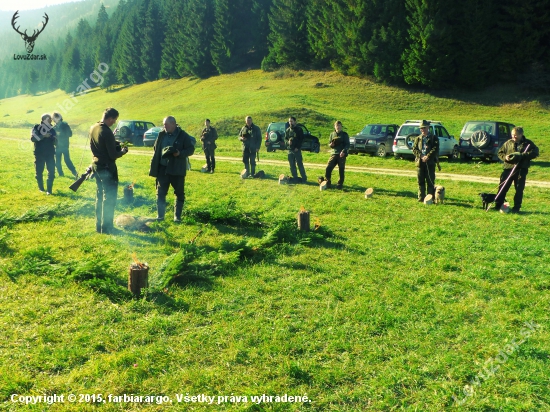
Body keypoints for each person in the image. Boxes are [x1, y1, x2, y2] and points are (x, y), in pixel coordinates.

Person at [149, 116, 195, 222]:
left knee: (179, 193)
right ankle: (160, 216)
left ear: (174, 124)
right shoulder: (161, 134)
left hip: (177, 169)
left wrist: (180, 153)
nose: (164, 126)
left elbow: (191, 149)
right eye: (164, 124)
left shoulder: (183, 135)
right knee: (160, 193)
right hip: (163, 169)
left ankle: (177, 217)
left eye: (166, 124)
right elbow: (156, 149)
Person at [89, 107, 128, 234]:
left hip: (97, 165)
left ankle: (98, 226)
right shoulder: (106, 132)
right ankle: (107, 228)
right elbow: (113, 155)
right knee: (109, 198)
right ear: (110, 118)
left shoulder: (94, 127)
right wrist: (122, 151)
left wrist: (114, 142)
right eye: (114, 120)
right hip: (107, 168)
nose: (114, 123)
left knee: (99, 196)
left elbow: (100, 144)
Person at [494, 126, 539, 213]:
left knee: (519, 190)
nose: (513, 137)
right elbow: (500, 153)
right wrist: (505, 157)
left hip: (521, 170)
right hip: (508, 169)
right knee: (502, 188)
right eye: (512, 135)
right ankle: (498, 205)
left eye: (515, 135)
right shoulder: (508, 143)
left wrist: (523, 155)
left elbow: (535, 152)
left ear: (521, 134)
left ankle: (516, 208)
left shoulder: (528, 143)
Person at [412, 120, 439, 202]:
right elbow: (414, 149)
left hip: (430, 163)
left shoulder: (434, 138)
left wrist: (428, 156)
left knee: (430, 181)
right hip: (420, 163)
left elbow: (435, 149)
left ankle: (430, 198)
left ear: (428, 128)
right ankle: (421, 198)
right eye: (421, 128)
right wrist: (421, 156)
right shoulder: (418, 138)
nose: (422, 130)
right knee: (420, 181)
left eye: (424, 128)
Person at [30, 113, 57, 195]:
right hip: (39, 153)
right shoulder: (36, 127)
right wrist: (43, 136)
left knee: (51, 171)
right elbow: (33, 138)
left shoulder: (52, 129)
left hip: (50, 153)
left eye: (50, 119)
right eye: (48, 119)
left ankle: (49, 190)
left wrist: (56, 139)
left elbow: (56, 143)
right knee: (39, 171)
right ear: (43, 120)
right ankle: (41, 188)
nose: (50, 121)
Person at [324, 120, 349, 189]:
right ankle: (327, 182)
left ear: (341, 126)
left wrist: (343, 151)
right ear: (334, 127)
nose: (338, 127)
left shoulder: (344, 135)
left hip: (341, 154)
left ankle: (340, 184)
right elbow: (329, 143)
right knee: (328, 168)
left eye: (339, 126)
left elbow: (347, 145)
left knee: (341, 170)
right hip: (334, 153)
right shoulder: (332, 134)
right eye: (336, 126)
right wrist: (331, 145)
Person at [52, 112, 78, 179]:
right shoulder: (53, 127)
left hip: (64, 146)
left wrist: (60, 134)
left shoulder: (65, 125)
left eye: (55, 118)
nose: (54, 120)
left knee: (67, 160)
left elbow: (70, 134)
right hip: (57, 146)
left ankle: (74, 172)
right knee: (57, 161)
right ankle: (61, 174)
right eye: (54, 118)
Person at [284, 116, 307, 183]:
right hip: (290, 150)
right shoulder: (287, 130)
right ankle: (295, 178)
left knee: (300, 164)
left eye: (291, 121)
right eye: (289, 121)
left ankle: (304, 178)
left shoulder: (299, 129)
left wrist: (298, 147)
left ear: (295, 122)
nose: (290, 123)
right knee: (292, 165)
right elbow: (285, 139)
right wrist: (288, 142)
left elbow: (302, 139)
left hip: (297, 150)